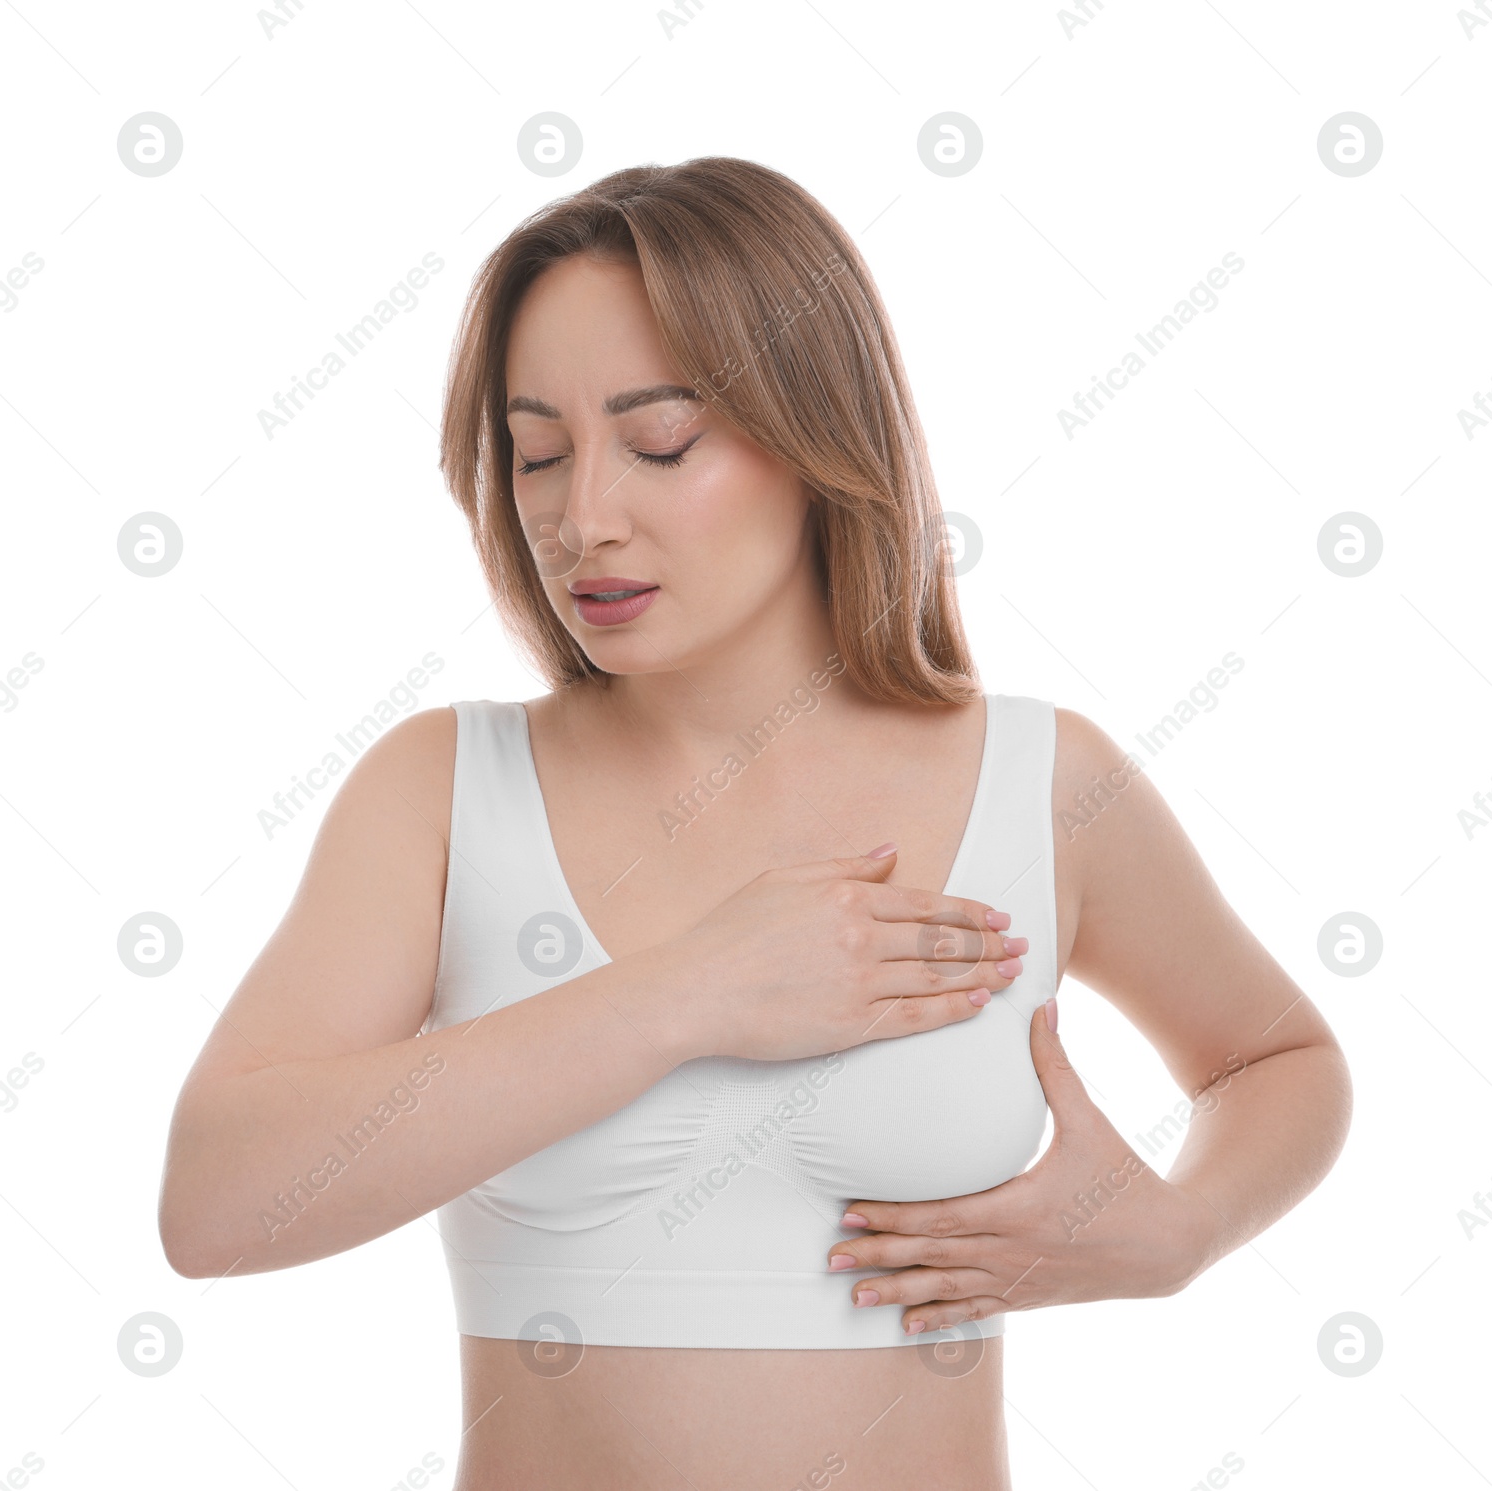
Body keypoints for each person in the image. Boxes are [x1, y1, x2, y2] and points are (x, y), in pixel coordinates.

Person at [159, 157, 1352, 1491]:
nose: (579, 518)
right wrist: (693, 993)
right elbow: (215, 1202)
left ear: (817, 437)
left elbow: (1279, 1056)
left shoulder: (1040, 780)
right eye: (538, 453)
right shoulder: (445, 790)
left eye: (660, 443)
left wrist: (1187, 1228)